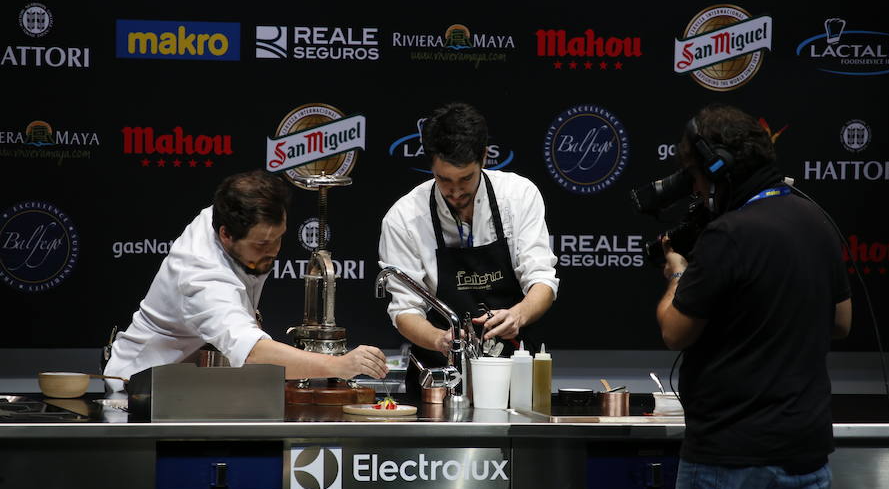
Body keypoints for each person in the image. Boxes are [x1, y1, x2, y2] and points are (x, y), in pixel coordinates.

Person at [655, 104, 852, 489]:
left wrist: (678, 274)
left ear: (718, 169)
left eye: (697, 176)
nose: (697, 189)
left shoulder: (728, 235)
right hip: (806, 461)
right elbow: (842, 322)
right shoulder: (815, 221)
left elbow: (673, 330)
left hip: (732, 462)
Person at [104, 170, 387, 391]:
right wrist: (338, 365)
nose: (274, 251)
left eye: (279, 238)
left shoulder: (227, 217)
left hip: (181, 383)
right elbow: (252, 353)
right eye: (262, 244)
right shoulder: (201, 276)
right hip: (136, 389)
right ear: (226, 235)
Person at [378, 102, 559, 394]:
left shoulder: (519, 196)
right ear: (431, 166)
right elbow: (404, 311)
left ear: (484, 158)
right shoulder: (404, 218)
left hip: (516, 373)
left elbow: (542, 281)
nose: (456, 191)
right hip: (437, 380)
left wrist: (517, 315)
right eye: (444, 180)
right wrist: (441, 339)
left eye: (466, 178)